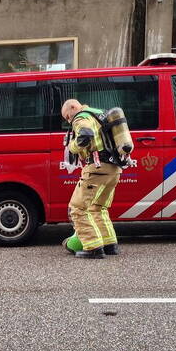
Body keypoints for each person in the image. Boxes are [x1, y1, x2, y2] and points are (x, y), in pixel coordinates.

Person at [61, 98, 121, 259]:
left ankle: (92, 247)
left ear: (73, 107)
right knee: (97, 207)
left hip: (97, 169)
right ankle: (110, 244)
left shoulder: (80, 117)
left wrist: (71, 146)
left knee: (78, 208)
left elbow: (85, 135)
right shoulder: (99, 114)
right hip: (114, 169)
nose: (69, 120)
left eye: (67, 116)